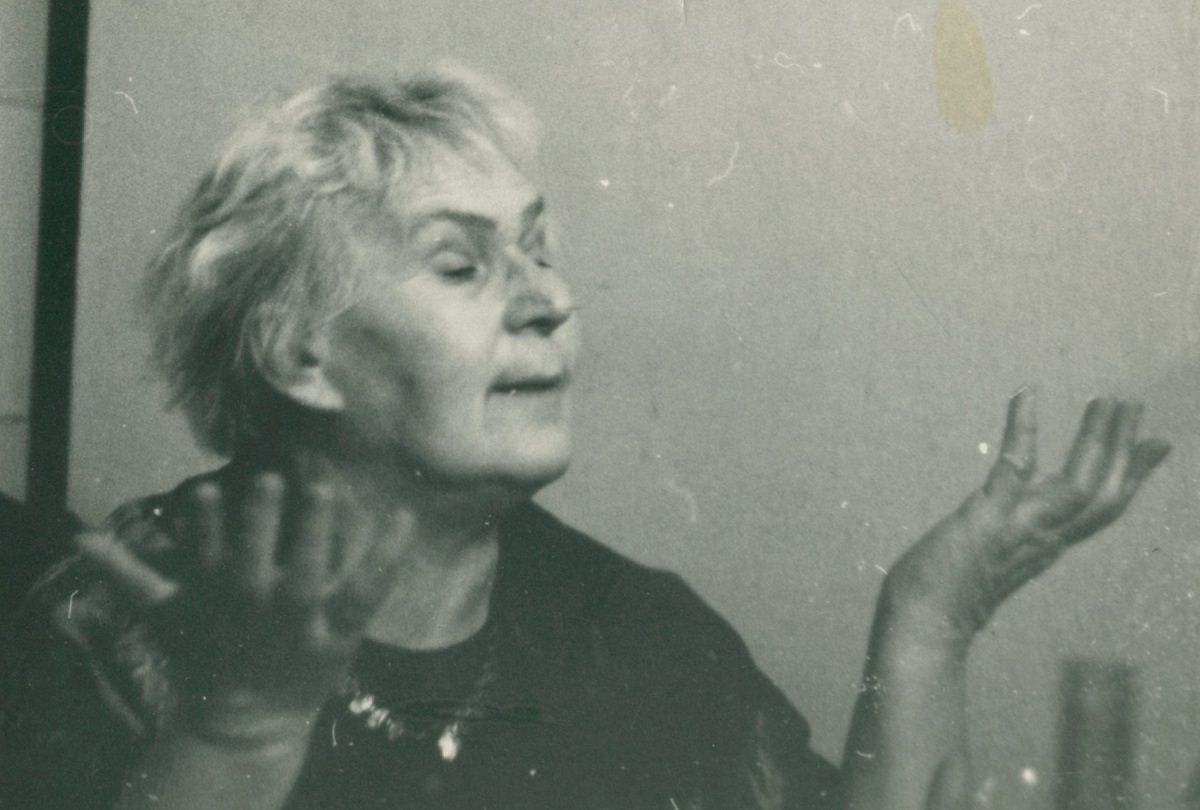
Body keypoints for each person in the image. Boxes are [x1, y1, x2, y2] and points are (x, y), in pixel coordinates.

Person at [0, 67, 1170, 810]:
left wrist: (928, 622)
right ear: (301, 354)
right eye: (462, 265)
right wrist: (237, 737)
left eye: (541, 250)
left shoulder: (641, 633)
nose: (551, 299)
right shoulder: (107, 625)